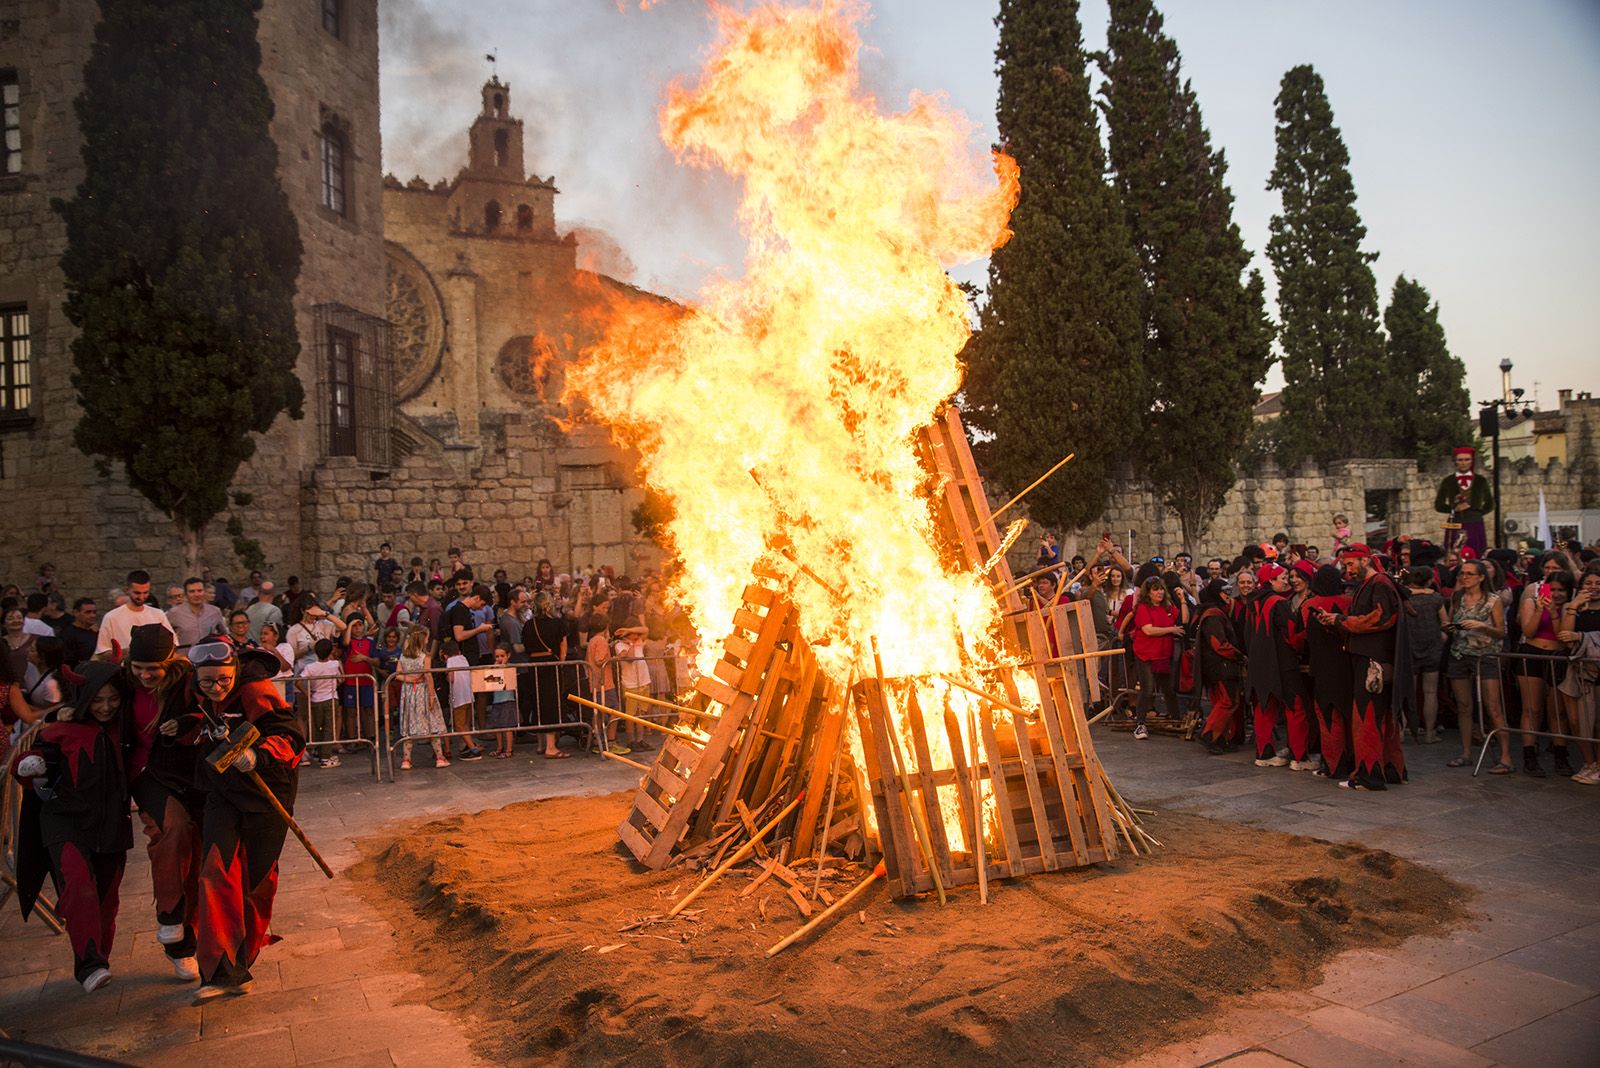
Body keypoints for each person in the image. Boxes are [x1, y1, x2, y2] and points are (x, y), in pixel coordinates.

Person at [182, 640, 305, 1002]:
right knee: (214, 871)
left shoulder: (257, 691)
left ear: (234, 670)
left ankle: (245, 952)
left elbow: (292, 737)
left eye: (222, 680)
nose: (216, 688)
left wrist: (259, 754)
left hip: (267, 796)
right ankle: (221, 968)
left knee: (258, 881)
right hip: (222, 795)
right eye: (207, 682)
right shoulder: (196, 692)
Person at [9, 661, 135, 992]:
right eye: (97, 699)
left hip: (111, 825)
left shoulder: (127, 726)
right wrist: (29, 766)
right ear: (83, 697)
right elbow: (26, 766)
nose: (105, 707)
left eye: (112, 698)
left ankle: (99, 957)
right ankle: (89, 964)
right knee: (78, 885)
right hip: (64, 821)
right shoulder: (59, 729)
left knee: (106, 899)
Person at [121, 624, 203, 981]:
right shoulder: (122, 682)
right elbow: (91, 700)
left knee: (199, 849)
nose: (145, 675)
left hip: (187, 773)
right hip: (145, 774)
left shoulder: (187, 681)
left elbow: (207, 710)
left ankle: (197, 936)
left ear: (169, 661)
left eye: (152, 668)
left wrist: (186, 723)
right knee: (172, 830)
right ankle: (171, 925)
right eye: (138, 667)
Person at [1322, 544, 1411, 791]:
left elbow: (1381, 618)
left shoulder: (1380, 584)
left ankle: (1369, 775)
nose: (1348, 570)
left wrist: (1342, 620)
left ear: (1365, 561)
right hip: (1371, 658)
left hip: (1373, 661)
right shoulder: (1370, 584)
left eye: (1351, 564)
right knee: (1379, 717)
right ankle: (1391, 770)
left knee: (1368, 718)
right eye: (1345, 565)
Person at [1245, 563, 1315, 771]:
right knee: (1296, 708)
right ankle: (1299, 757)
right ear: (1271, 581)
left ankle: (1264, 754)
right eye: (1283, 577)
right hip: (1282, 663)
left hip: (1258, 664)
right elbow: (1293, 637)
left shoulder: (1252, 603)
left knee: (1264, 708)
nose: (1288, 581)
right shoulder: (1280, 604)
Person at [1444, 559, 1510, 773]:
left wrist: (1482, 626)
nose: (1465, 577)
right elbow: (1450, 623)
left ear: (1481, 577)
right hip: (1460, 653)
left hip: (1485, 655)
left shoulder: (1493, 600)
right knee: (1464, 705)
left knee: (1493, 706)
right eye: (1462, 573)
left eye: (1470, 574)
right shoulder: (1457, 597)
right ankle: (1466, 753)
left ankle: (1506, 757)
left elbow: (1501, 631)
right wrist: (1450, 627)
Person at [1515, 570, 1576, 777]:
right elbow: (1528, 631)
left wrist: (1555, 613)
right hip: (1532, 654)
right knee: (1532, 709)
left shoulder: (1570, 607)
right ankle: (1529, 756)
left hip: (1558, 656)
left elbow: (1562, 639)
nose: (1557, 594)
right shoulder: (1531, 603)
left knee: (1557, 710)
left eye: (1562, 590)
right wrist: (1541, 611)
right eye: (1554, 589)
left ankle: (1560, 754)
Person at [1301, 565, 1353, 781]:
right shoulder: (1349, 603)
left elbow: (1301, 637)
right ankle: (1352, 762)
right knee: (1350, 716)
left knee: (1328, 716)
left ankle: (1333, 765)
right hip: (1348, 666)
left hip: (1322, 668)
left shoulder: (1309, 606)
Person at [1555, 569, 1600, 784]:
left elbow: (1574, 636)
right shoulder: (1572, 607)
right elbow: (1564, 636)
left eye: (1597, 583)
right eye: (1588, 583)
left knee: (1598, 722)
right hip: (1576, 670)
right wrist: (1573, 607)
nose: (1593, 587)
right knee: (1577, 721)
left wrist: (1580, 637)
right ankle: (1589, 762)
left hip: (1597, 670)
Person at [1194, 580, 1246, 753]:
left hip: (1218, 665)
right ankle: (1209, 735)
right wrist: (1238, 656)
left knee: (1226, 702)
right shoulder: (1214, 614)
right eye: (1224, 592)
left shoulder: (1214, 612)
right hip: (1221, 665)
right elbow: (1218, 643)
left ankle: (1220, 739)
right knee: (1228, 701)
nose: (1227, 595)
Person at [1129, 577, 1183, 741]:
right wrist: (1171, 629)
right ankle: (1140, 724)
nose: (1159, 592)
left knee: (1168, 688)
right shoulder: (1143, 608)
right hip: (1145, 652)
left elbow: (1184, 620)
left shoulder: (1168, 606)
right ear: (1148, 592)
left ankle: (1176, 720)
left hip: (1163, 653)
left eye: (1161, 589)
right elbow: (1148, 630)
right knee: (1147, 688)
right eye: (1155, 589)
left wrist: (1183, 600)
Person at [1403, 567, 1448, 744]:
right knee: (1430, 692)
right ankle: (1430, 733)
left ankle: (1402, 730)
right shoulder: (1436, 598)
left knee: (1408, 692)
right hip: (1432, 648)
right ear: (1429, 581)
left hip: (1410, 648)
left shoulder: (1404, 596)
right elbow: (1445, 623)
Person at [396, 628, 449, 771]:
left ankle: (406, 759)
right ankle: (439, 757)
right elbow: (428, 676)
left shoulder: (403, 656)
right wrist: (432, 695)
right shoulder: (425, 657)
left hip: (408, 692)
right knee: (432, 723)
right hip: (422, 690)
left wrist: (409, 678)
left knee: (409, 724)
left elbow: (397, 674)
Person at [525, 592, 569, 759]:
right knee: (551, 703)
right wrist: (561, 662)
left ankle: (540, 744)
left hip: (534, 666)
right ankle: (551, 747)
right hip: (551, 665)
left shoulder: (529, 625)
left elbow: (526, 646)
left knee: (538, 702)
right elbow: (563, 645)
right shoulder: (557, 623)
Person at [94, 570, 175, 661]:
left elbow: (173, 644)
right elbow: (101, 653)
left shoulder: (158, 614)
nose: (141, 597)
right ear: (127, 590)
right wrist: (129, 651)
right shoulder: (111, 617)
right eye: (137, 593)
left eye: (145, 592)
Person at [1435, 447, 1494, 558]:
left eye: (1467, 459)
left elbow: (1490, 504)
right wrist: (1453, 509)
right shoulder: (1448, 481)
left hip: (1475, 523)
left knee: (1476, 553)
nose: (1463, 463)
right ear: (1455, 462)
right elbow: (1438, 505)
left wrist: (1476, 511)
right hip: (1455, 523)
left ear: (1472, 461)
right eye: (1460, 460)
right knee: (1453, 554)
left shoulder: (1481, 480)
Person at [299, 639, 344, 769]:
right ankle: (325, 757)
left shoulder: (310, 667)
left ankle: (319, 752)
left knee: (318, 726)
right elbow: (341, 679)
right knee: (329, 727)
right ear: (330, 651)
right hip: (330, 697)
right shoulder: (335, 664)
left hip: (315, 698)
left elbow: (298, 681)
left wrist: (307, 693)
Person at [339, 616, 378, 753]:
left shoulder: (370, 642)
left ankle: (370, 738)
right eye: (354, 626)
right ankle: (352, 739)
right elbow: (346, 641)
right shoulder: (349, 643)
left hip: (366, 681)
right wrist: (349, 625)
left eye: (359, 625)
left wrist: (364, 658)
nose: (357, 628)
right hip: (351, 681)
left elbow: (376, 661)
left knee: (367, 710)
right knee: (351, 712)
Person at [442, 639, 482, 760]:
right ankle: (466, 746)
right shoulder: (463, 658)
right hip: (469, 695)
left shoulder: (450, 661)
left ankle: (473, 749)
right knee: (466, 723)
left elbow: (451, 678)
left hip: (458, 696)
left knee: (459, 725)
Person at [168, 577, 225, 652]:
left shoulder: (215, 611)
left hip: (209, 658)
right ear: (186, 594)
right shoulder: (174, 613)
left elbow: (224, 635)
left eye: (199, 591)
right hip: (185, 659)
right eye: (192, 591)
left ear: (204, 592)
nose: (196, 594)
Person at [486, 645, 519, 758]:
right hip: (497, 700)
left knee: (507, 726)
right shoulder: (493, 667)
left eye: (502, 656)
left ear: (508, 656)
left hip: (508, 699)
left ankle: (509, 749)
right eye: (497, 656)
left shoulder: (510, 667)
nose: (499, 658)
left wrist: (502, 666)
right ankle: (499, 747)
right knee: (497, 726)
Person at [59, 598, 100, 665]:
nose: (93, 615)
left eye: (94, 612)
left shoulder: (95, 633)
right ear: (76, 613)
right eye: (88, 612)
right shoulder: (68, 634)